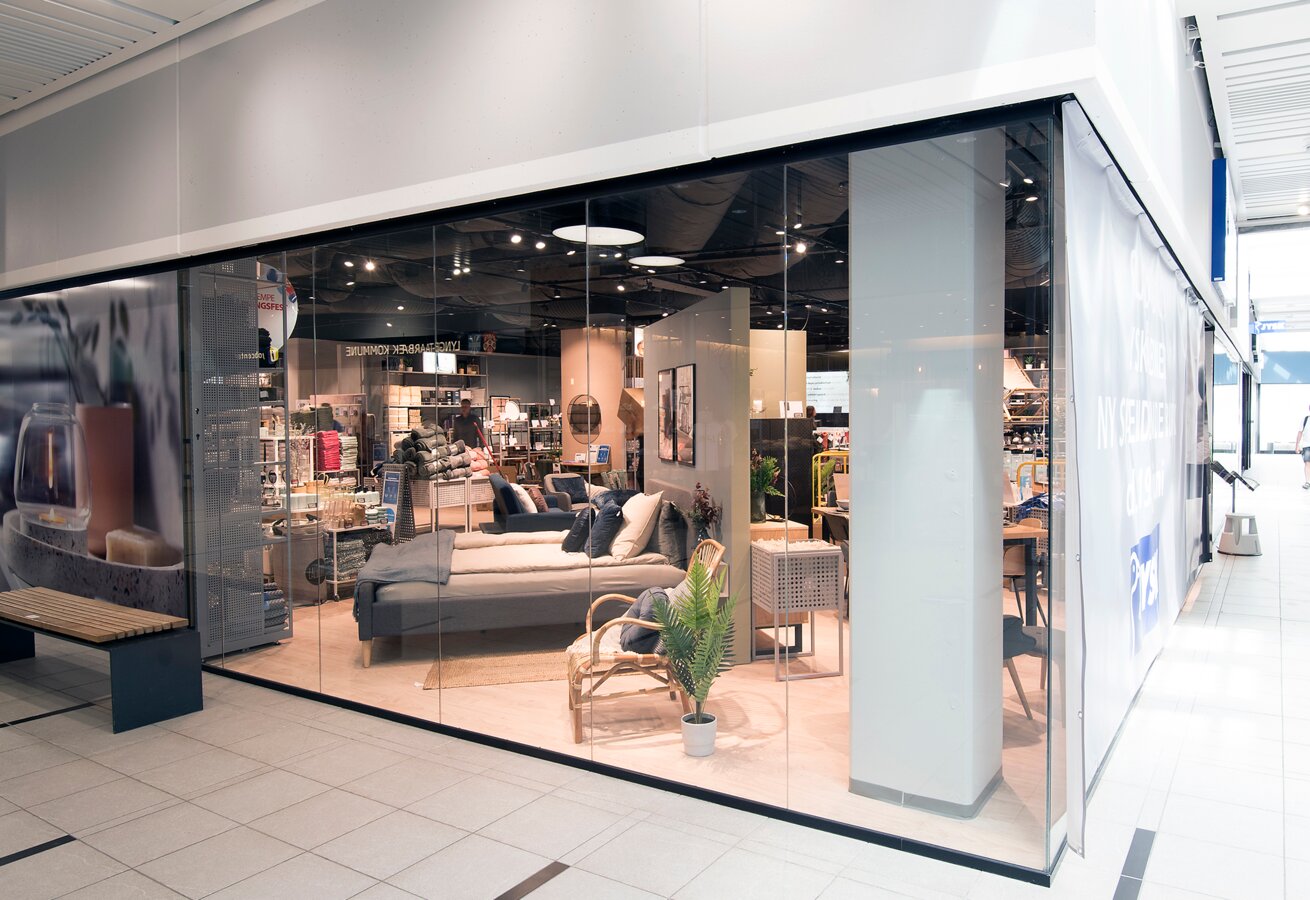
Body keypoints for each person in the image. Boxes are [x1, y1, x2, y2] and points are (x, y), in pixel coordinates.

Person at [1298, 404, 1310, 490]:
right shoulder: (1305, 419)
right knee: (1307, 463)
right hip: (1306, 445)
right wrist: (1297, 445)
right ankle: (1307, 482)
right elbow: (1300, 432)